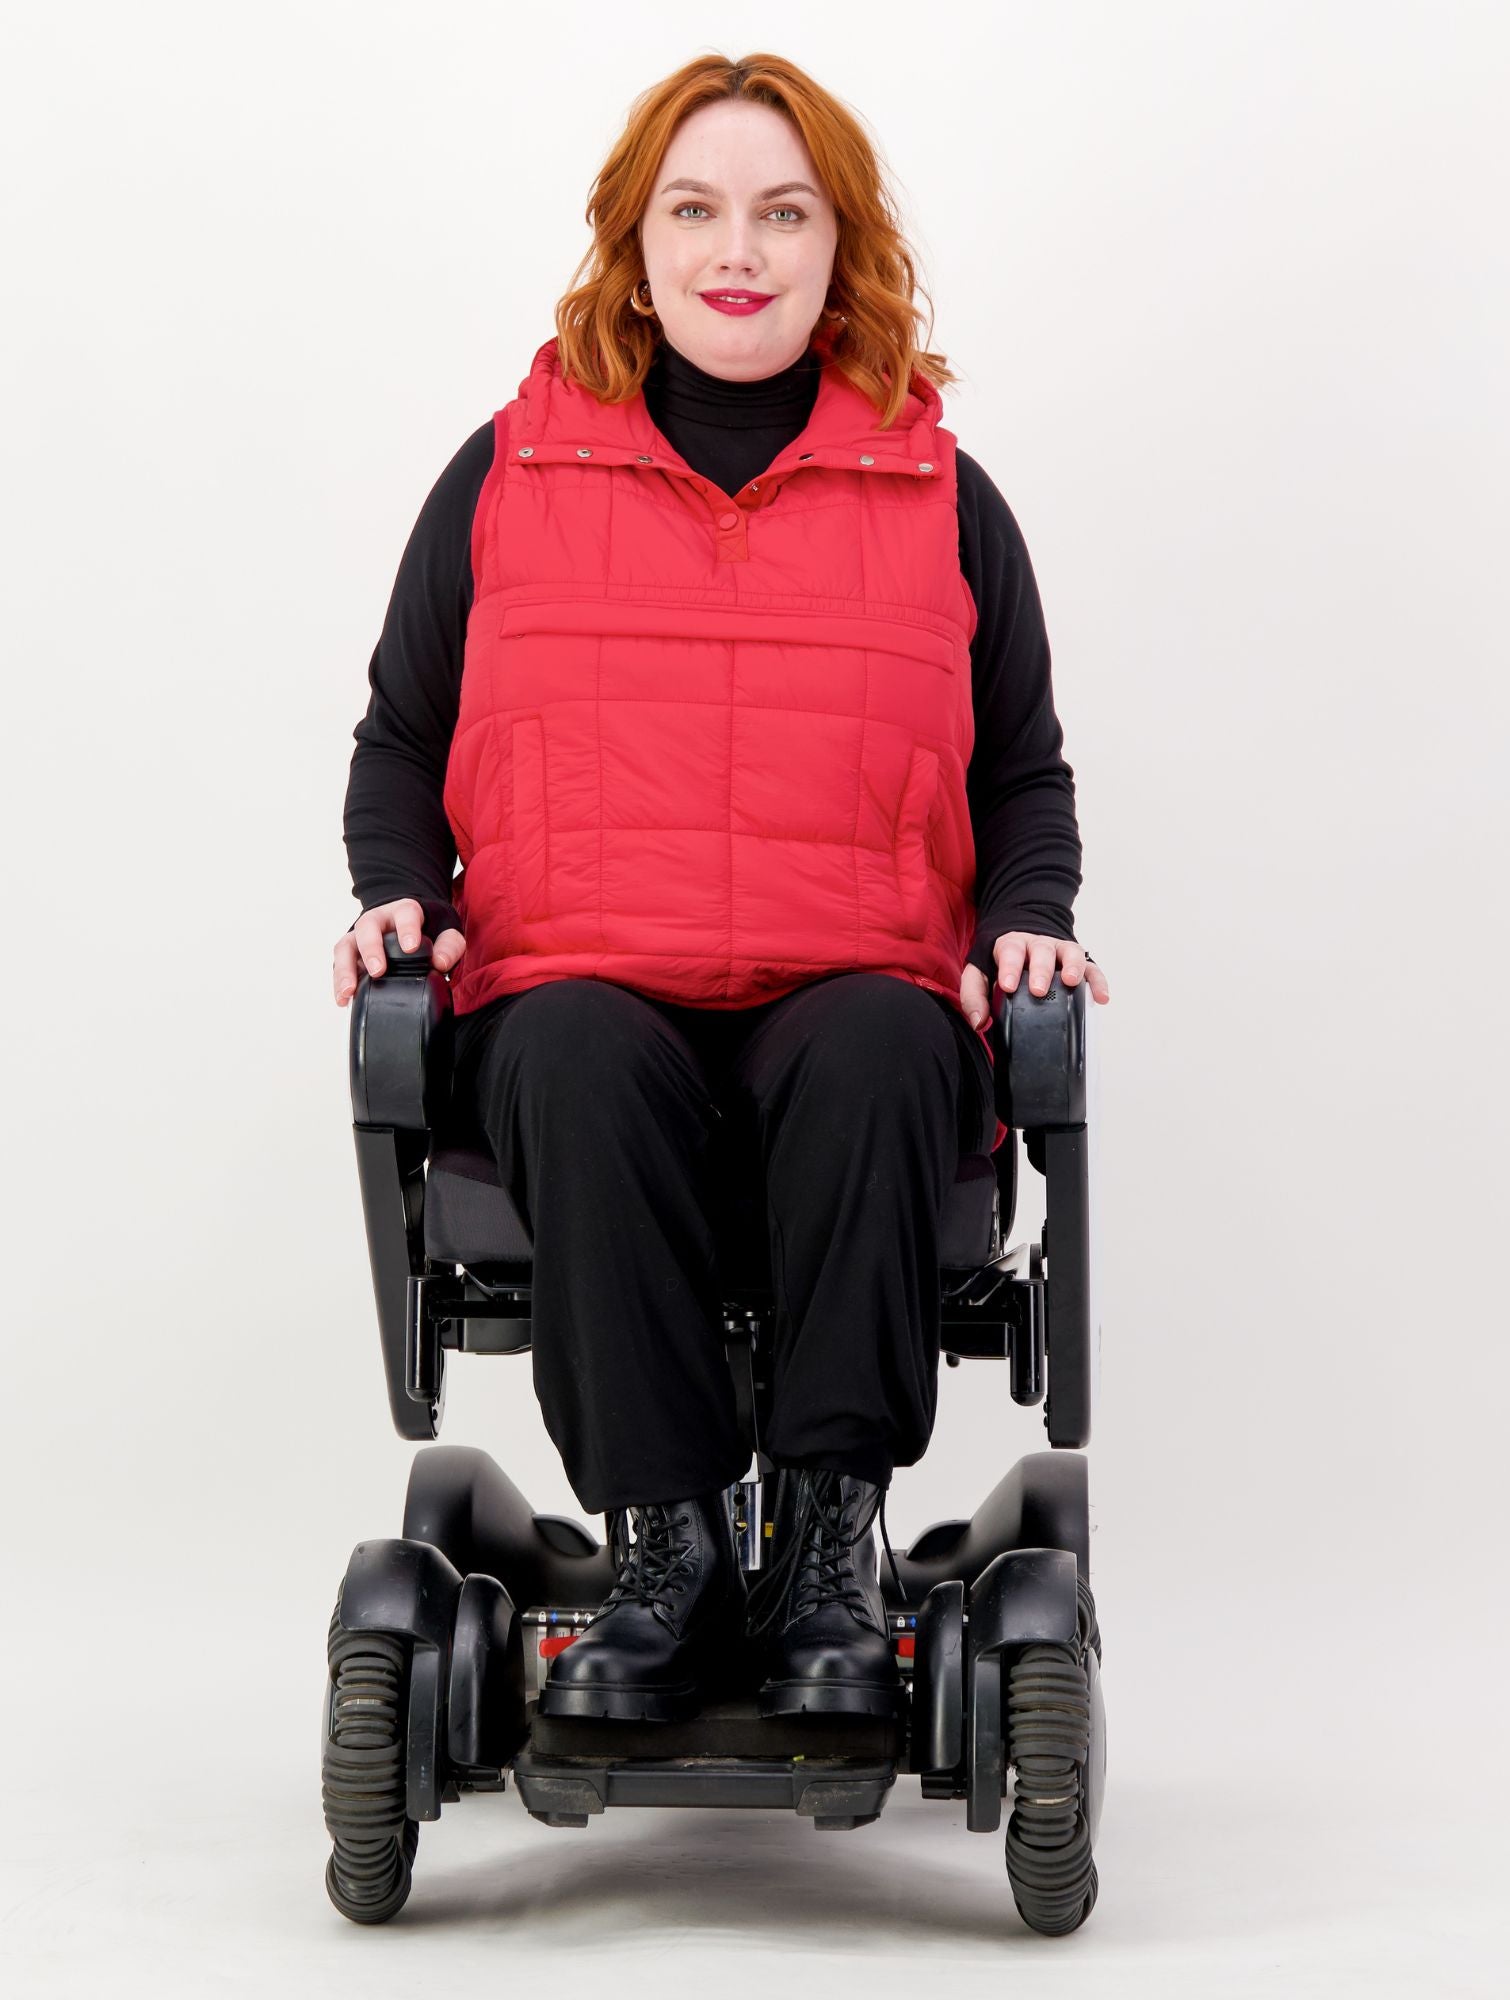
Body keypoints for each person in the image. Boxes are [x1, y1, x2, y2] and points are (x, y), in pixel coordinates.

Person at [333, 52, 1110, 1724]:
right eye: (694, 210)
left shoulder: (942, 500)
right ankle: (669, 1552)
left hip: (854, 996)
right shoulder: (506, 477)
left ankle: (832, 1547)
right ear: (636, 240)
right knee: (566, 1053)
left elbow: (1020, 775)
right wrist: (397, 888)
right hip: (584, 986)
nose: (734, 250)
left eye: (781, 211)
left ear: (844, 248)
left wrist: (1028, 914)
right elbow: (401, 739)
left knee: (887, 1051)